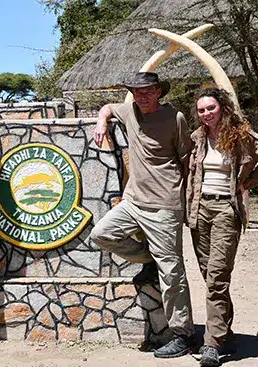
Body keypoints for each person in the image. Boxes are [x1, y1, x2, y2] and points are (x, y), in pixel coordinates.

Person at [90, 72, 195, 358]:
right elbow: (108, 108)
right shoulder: (129, 110)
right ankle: (147, 258)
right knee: (101, 234)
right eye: (137, 91)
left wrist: (183, 201)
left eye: (148, 91)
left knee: (172, 272)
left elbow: (186, 160)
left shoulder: (176, 118)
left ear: (159, 92)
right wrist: (101, 121)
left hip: (164, 204)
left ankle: (184, 334)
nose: (142, 96)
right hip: (133, 201)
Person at [186, 88, 258, 366]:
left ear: (222, 107)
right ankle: (225, 333)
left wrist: (248, 183)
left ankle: (212, 344)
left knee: (216, 278)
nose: (206, 114)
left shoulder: (242, 137)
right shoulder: (196, 139)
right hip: (198, 210)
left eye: (210, 108)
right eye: (201, 110)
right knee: (211, 277)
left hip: (226, 210)